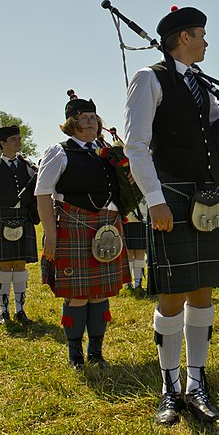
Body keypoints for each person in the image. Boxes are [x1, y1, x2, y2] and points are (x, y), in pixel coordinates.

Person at [124, 5, 219, 426]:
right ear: (183, 37)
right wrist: (155, 199)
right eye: (200, 34)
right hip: (172, 195)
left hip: (206, 193)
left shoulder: (201, 85)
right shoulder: (150, 79)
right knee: (172, 295)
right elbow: (136, 145)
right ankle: (169, 386)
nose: (206, 42)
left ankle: (196, 382)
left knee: (203, 291)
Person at [35, 93, 131, 369]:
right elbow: (43, 193)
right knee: (77, 295)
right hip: (74, 226)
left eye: (93, 118)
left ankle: (97, 353)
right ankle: (75, 355)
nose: (90, 123)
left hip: (108, 228)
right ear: (70, 122)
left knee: (100, 292)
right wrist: (50, 233)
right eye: (83, 118)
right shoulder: (59, 151)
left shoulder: (107, 151)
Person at [0, 125, 38, 325]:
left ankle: (20, 310)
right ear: (2, 143)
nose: (18, 142)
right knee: (4, 267)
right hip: (0, 218)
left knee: (20, 266)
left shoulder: (29, 167)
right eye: (13, 139)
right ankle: (4, 311)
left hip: (24, 217)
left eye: (19, 138)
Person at [123, 199, 148, 290]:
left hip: (143, 217)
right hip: (126, 217)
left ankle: (138, 284)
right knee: (128, 253)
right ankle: (127, 284)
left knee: (140, 252)